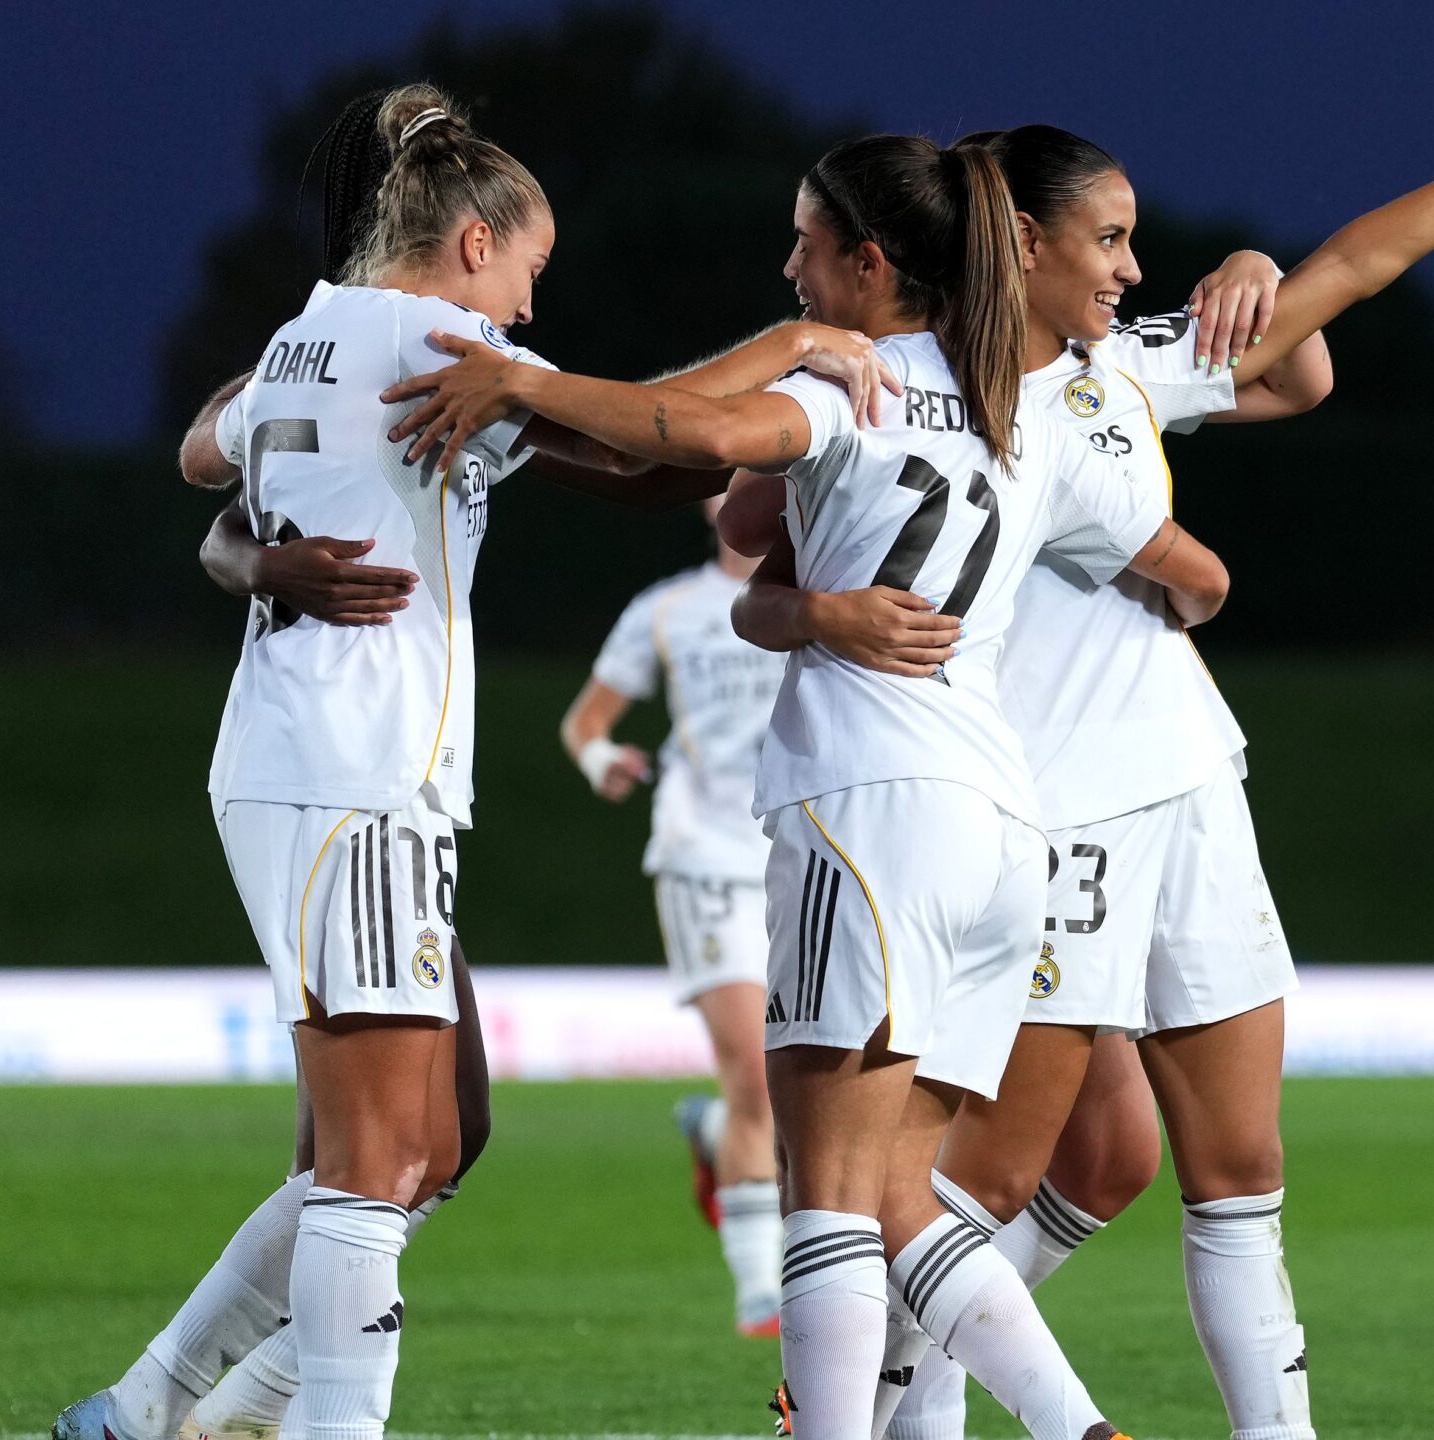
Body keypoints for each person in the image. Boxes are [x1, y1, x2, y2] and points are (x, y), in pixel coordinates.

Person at [727, 22, 1434, 1440]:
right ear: (1020, 242)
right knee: (991, 1175)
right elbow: (762, 539)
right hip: (1051, 807)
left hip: (1190, 781)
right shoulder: (926, 388)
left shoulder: (1120, 366)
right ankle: (899, 1400)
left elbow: (1333, 305)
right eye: (1108, 239)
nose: (1132, 267)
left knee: (1229, 1167)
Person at [53, 83, 894, 1440]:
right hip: (355, 767)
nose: (527, 311)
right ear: (472, 244)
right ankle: (237, 1418)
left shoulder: (304, 336)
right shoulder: (433, 338)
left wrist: (252, 551)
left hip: (320, 763)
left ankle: (150, 1408)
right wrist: (798, 347)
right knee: (380, 1156)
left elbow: (206, 455)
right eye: (527, 272)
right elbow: (651, 460)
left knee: (442, 1131)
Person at [380, 132, 1230, 1440]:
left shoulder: (858, 382)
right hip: (1001, 828)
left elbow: (701, 435)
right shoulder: (1032, 401)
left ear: (871, 262)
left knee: (825, 1196)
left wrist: (521, 385)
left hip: (869, 805)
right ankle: (1082, 1431)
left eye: (808, 244)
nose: (791, 268)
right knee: (903, 1201)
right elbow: (761, 560)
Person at [559, 494, 791, 1336]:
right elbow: (585, 722)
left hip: (808, 854)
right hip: (706, 857)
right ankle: (762, 1290)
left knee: (806, 1078)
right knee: (758, 1075)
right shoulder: (668, 610)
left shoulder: (832, 591)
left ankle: (718, 1133)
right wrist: (599, 759)